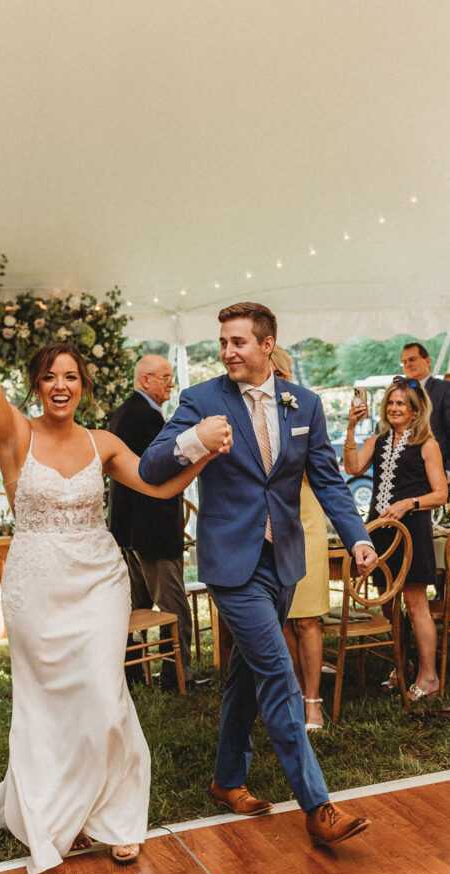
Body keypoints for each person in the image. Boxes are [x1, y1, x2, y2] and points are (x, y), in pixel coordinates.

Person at [0, 255, 231, 874]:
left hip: (99, 580)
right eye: (50, 377)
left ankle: (118, 816)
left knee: (104, 695)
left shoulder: (106, 443)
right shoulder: (15, 434)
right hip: (37, 585)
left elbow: (157, 488)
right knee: (46, 704)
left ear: (85, 385)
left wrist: (203, 454)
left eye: (71, 375)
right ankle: (54, 815)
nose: (61, 385)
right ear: (37, 386)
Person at [139, 301, 378, 846]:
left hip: (284, 560)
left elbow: (328, 479)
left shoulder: (305, 404)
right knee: (278, 671)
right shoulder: (201, 399)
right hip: (231, 563)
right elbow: (152, 466)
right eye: (223, 342)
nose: (227, 352)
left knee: (247, 673)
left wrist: (359, 537)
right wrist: (195, 439)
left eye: (238, 342)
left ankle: (227, 780)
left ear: (267, 345)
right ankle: (318, 808)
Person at [344, 377, 448, 700]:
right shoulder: (377, 441)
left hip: (412, 531)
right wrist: (350, 429)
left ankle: (429, 677)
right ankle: (401, 668)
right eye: (390, 402)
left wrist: (409, 503)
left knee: (416, 605)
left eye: (401, 403)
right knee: (388, 605)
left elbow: (441, 494)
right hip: (379, 534)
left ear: (416, 411)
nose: (394, 408)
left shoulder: (427, 445)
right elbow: (352, 466)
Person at [108, 354, 208, 689]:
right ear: (145, 380)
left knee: (136, 603)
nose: (171, 383)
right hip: (151, 527)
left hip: (131, 528)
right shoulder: (142, 416)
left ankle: (133, 670)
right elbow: (161, 467)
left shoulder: (130, 412)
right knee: (174, 605)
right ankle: (178, 676)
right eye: (165, 377)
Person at [270, 346, 328, 732]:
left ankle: (312, 703)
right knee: (282, 621)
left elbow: (322, 471)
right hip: (267, 521)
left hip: (304, 517)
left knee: (306, 619)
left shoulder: (301, 407)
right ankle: (289, 698)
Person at [400, 343, 450, 485]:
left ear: (427, 361)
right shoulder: (400, 393)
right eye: (404, 361)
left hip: (438, 474)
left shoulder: (445, 388)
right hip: (407, 476)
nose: (408, 364)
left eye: (412, 359)